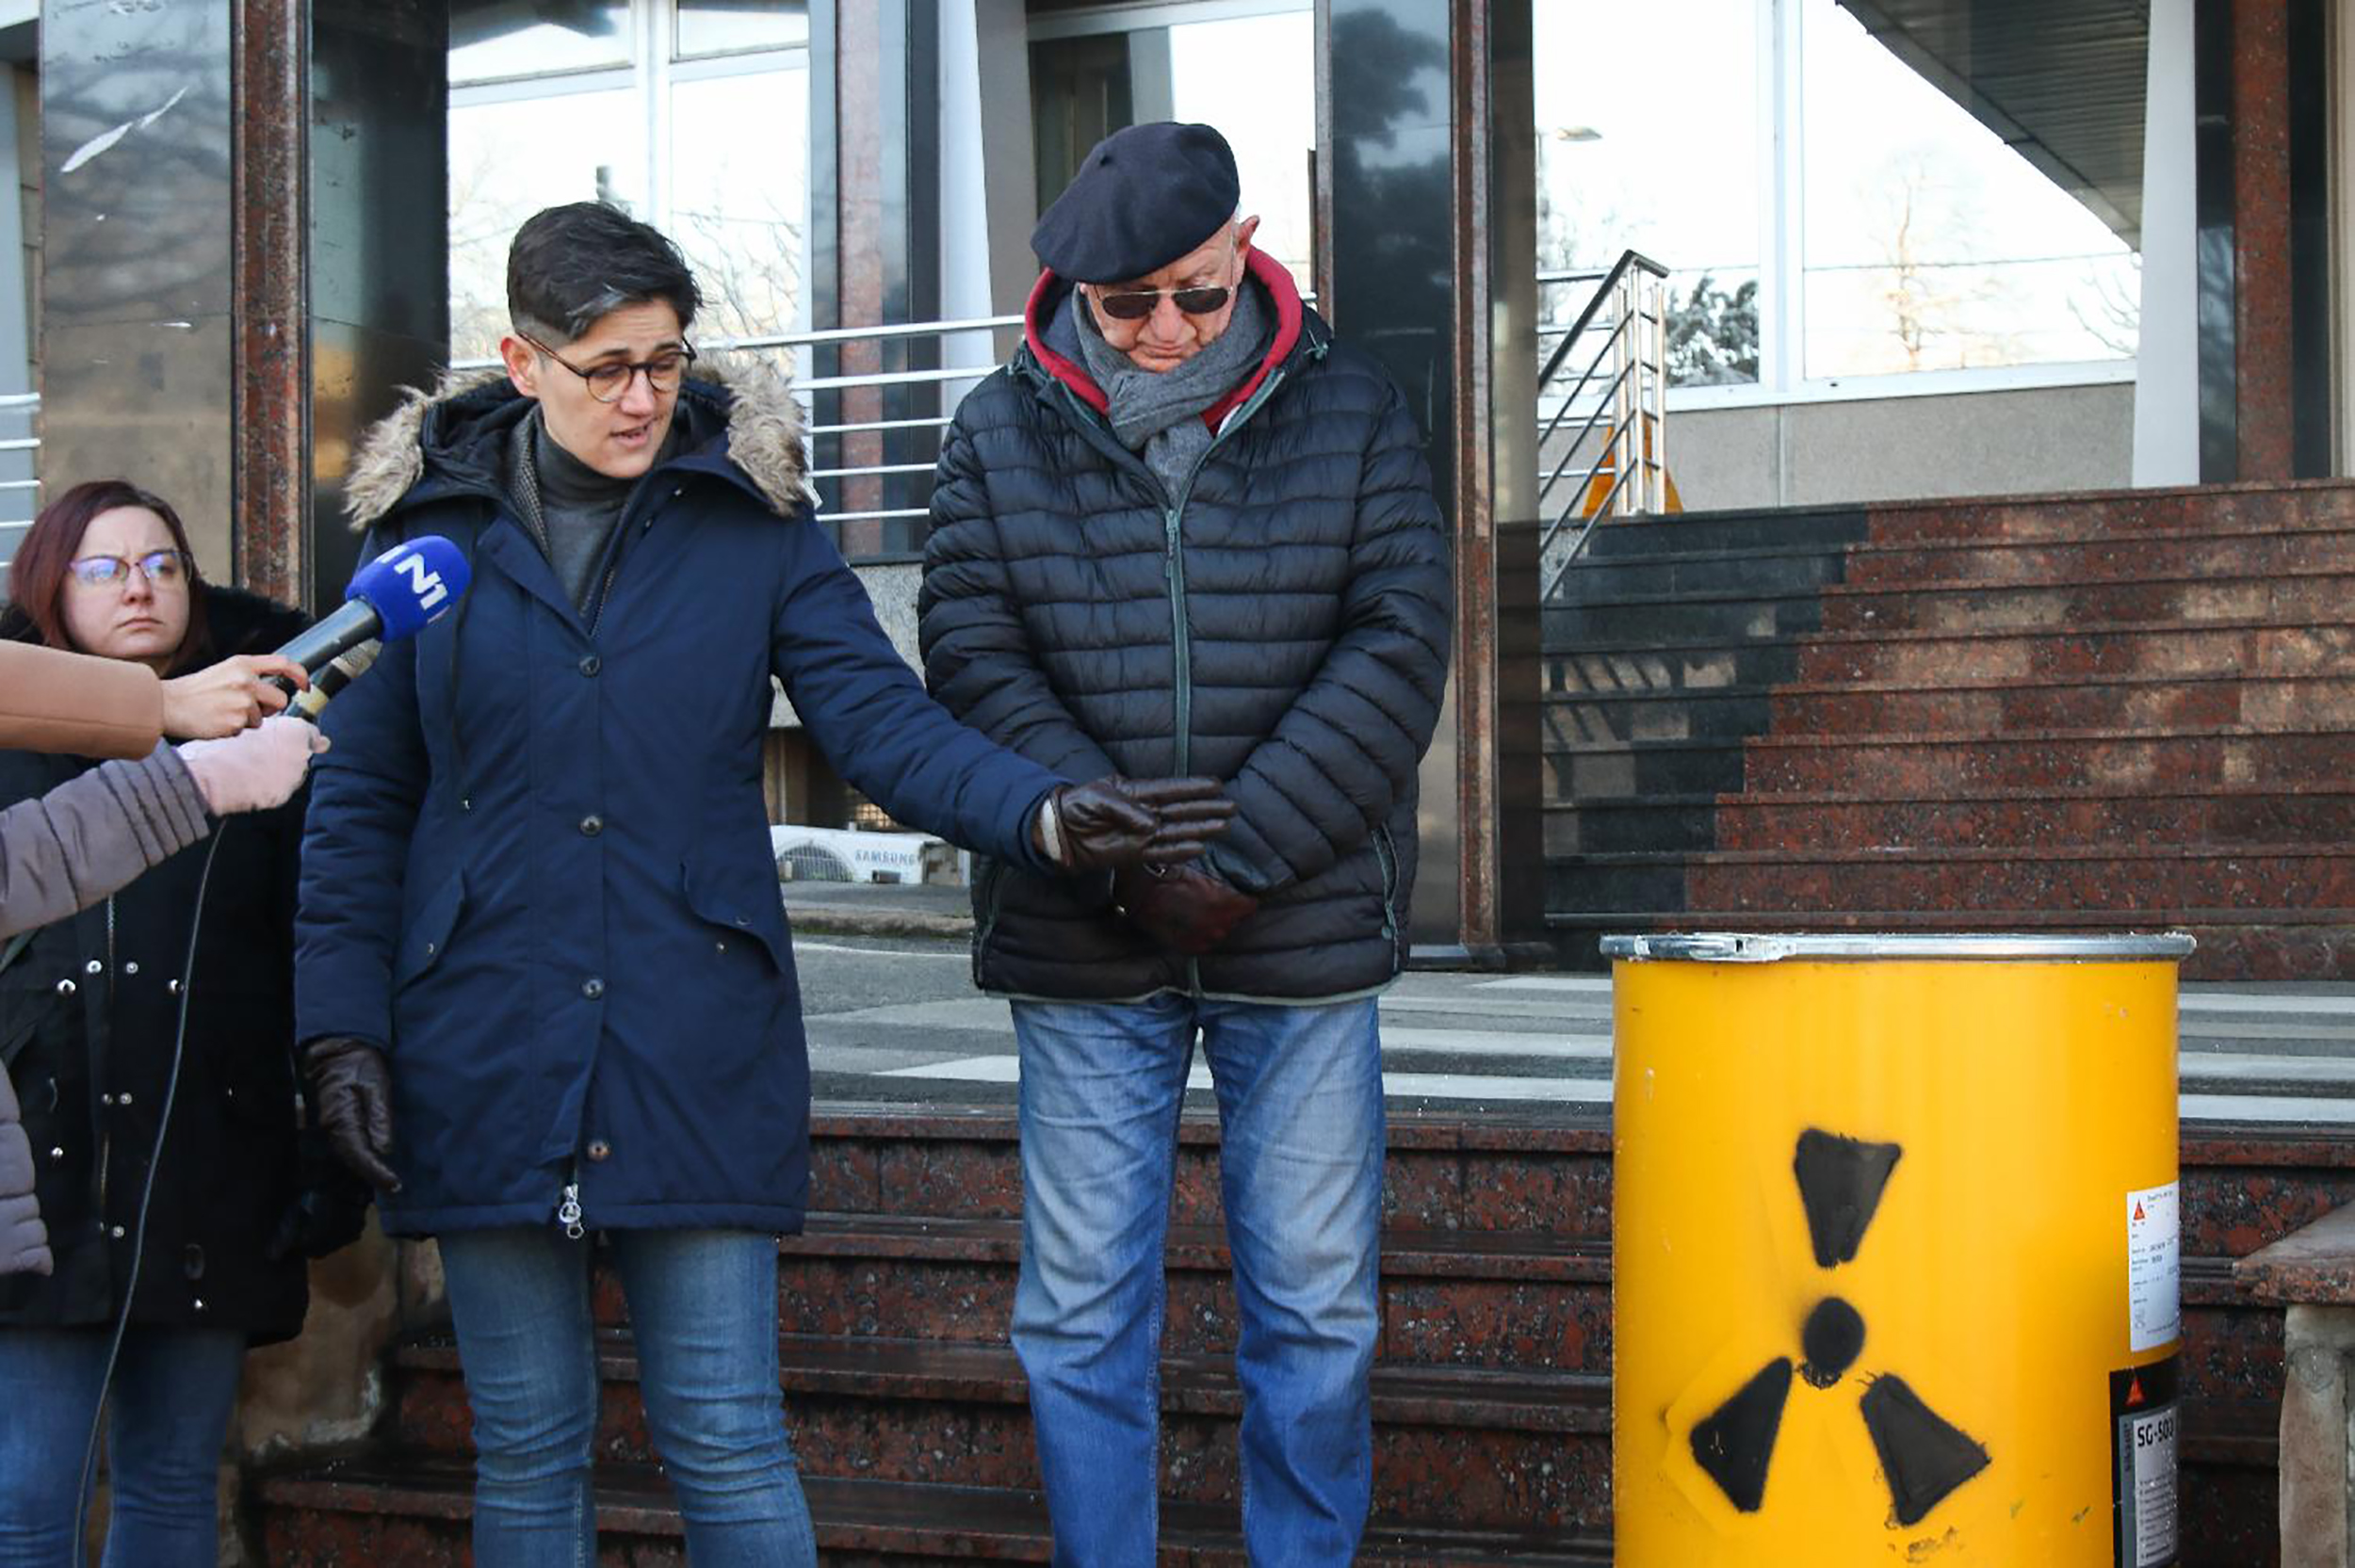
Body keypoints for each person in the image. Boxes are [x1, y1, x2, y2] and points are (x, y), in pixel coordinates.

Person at [294, 201, 1231, 1568]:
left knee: (729, 1433)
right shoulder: (417, 546)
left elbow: (878, 722)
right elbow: (358, 804)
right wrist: (339, 1030)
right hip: (478, 1038)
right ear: (520, 361)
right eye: (605, 365)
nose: (643, 396)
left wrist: (1037, 812)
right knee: (528, 1444)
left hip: (696, 1035)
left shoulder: (756, 524)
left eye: (665, 361)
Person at [919, 121, 1454, 1565]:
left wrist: (1242, 854)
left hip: (1300, 921)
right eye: (1127, 305)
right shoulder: (994, 424)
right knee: (1080, 1312)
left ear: (1249, 247)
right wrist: (1117, 852)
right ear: (1078, 293)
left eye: (1197, 296)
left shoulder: (1353, 411)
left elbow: (1400, 648)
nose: (1165, 330)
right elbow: (972, 654)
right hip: (1083, 930)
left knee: (1320, 1306)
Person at [0, 480, 365, 1567]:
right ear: (46, 591)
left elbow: (320, 935)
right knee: (27, 1501)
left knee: (171, 1489)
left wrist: (318, 1133)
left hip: (209, 1155)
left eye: (162, 563)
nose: (140, 588)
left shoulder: (284, 738)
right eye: (103, 568)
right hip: (41, 1175)